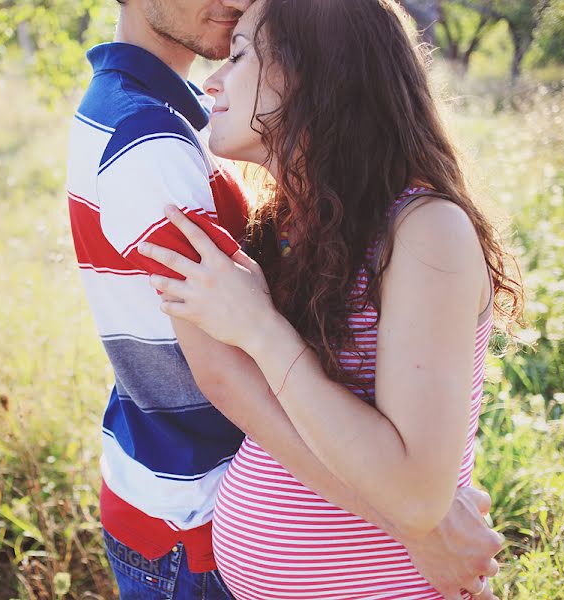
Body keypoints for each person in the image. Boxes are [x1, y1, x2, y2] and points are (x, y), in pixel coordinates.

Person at [66, 0, 505, 597]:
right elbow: (226, 372)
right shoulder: (281, 213)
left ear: (313, 74)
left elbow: (412, 485)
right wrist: (419, 529)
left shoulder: (422, 230)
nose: (213, 81)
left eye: (243, 54)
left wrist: (260, 327)